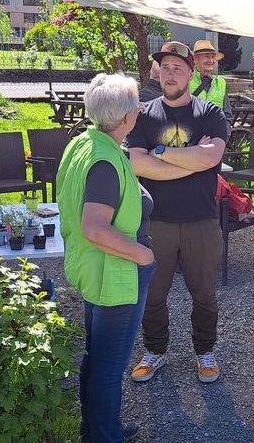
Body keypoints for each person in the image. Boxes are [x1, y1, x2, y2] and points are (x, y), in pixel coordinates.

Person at [56, 72, 156, 443]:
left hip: (94, 268)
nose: (140, 111)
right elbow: (95, 228)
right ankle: (105, 437)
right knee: (110, 366)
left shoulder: (85, 142)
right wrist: (144, 256)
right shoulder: (104, 161)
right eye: (137, 106)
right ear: (127, 116)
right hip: (115, 273)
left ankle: (97, 429)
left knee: (96, 356)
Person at [126, 41, 228, 384]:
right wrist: (190, 160)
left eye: (178, 69)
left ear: (190, 72)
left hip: (201, 219)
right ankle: (155, 351)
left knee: (205, 294)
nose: (171, 75)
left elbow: (211, 157)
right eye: (165, 68)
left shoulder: (210, 113)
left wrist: (158, 152)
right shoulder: (144, 114)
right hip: (156, 221)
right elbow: (137, 164)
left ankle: (205, 352)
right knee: (153, 294)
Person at [188, 39, 233, 124]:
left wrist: (224, 131)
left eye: (213, 57)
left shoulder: (220, 83)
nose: (211, 61)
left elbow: (227, 116)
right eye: (207, 56)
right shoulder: (186, 80)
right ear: (195, 59)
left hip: (216, 131)